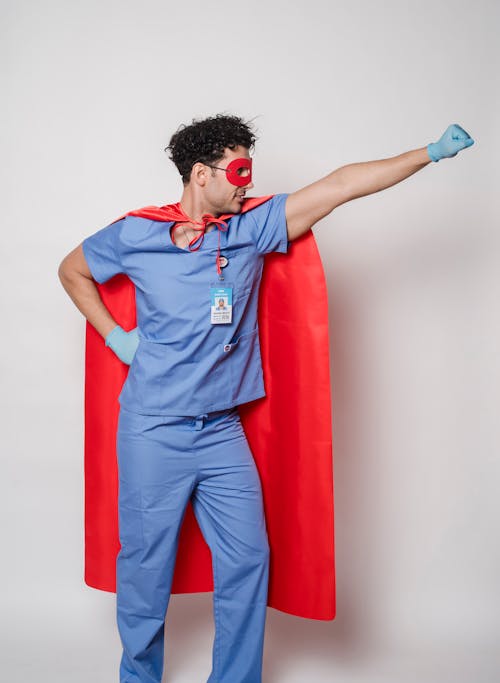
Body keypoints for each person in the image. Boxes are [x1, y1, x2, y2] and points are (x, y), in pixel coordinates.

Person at [58, 113, 474, 683]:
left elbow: (341, 184)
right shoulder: (137, 233)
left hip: (222, 431)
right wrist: (115, 337)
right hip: (153, 429)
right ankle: (139, 676)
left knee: (248, 559)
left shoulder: (251, 230)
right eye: (238, 170)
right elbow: (73, 270)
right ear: (201, 174)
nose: (247, 182)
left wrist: (428, 153)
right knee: (144, 568)